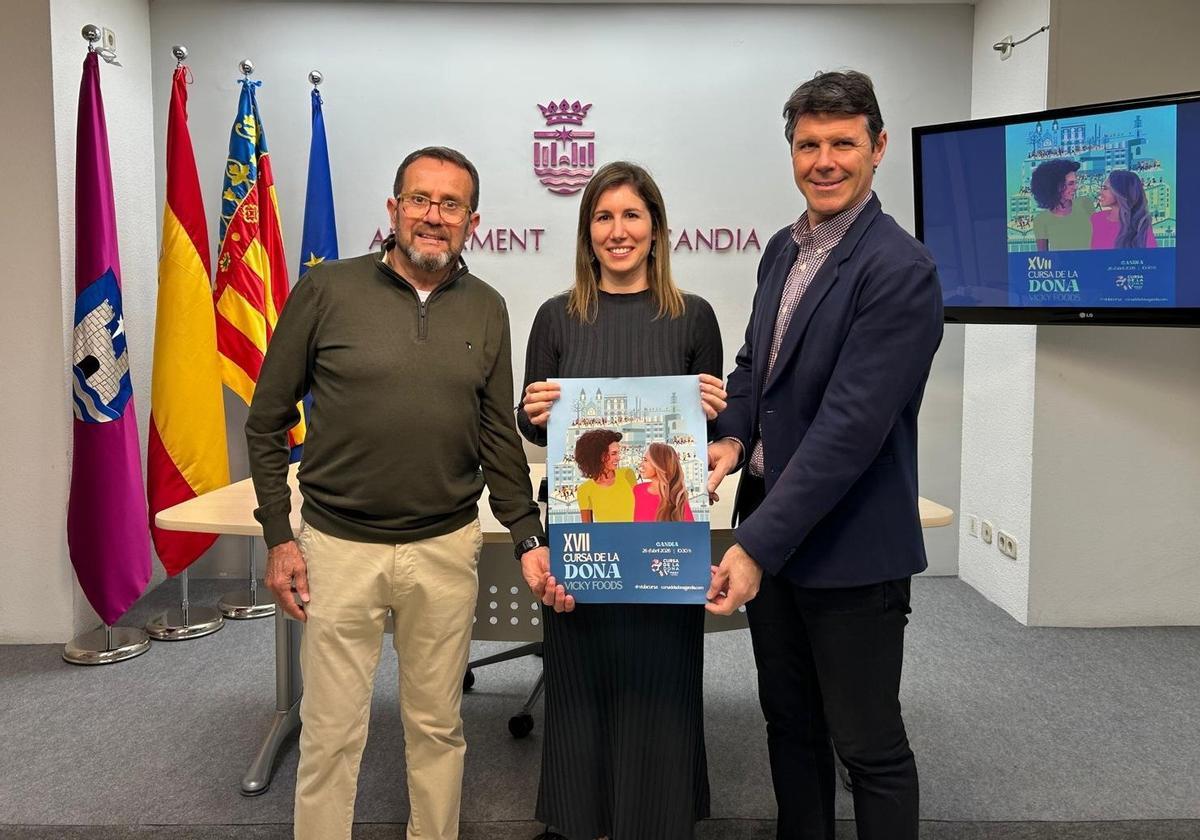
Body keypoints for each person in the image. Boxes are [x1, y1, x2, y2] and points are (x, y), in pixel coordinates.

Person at [246, 146, 548, 840]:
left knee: (438, 726)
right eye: (420, 199)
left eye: (451, 204)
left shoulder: (488, 308)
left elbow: (497, 436)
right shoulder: (327, 290)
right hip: (337, 548)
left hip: (444, 548)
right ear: (393, 208)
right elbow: (266, 421)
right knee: (331, 731)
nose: (433, 216)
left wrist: (526, 533)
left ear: (472, 221)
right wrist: (279, 537)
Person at [705, 71, 944, 840]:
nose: (825, 161)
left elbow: (849, 431)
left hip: (849, 548)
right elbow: (755, 367)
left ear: (878, 148)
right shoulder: (785, 248)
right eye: (809, 145)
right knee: (790, 726)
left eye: (843, 143)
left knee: (867, 747)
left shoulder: (899, 268)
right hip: (773, 529)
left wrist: (752, 546)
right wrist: (733, 435)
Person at [518, 160, 725, 840]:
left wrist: (716, 410)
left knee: (662, 683)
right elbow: (532, 425)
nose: (618, 230)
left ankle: (659, 821)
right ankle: (577, 823)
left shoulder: (693, 317)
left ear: (656, 229)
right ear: (587, 233)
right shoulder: (556, 317)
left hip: (664, 540)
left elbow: (706, 438)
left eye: (632, 215)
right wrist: (534, 411)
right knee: (579, 685)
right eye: (603, 217)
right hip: (583, 540)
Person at [573, 429, 637, 522]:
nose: (618, 458)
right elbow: (587, 528)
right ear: (600, 456)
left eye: (618, 453)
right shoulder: (584, 490)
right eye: (613, 453)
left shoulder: (627, 474)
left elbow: (642, 509)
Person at [1031, 158, 1091, 250]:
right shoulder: (1041, 220)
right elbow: (1043, 256)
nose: (1076, 187)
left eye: (1075, 182)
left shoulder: (1085, 204)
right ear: (1056, 186)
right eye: (1070, 184)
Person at [1091, 169, 1157, 249]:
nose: (1100, 192)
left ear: (1120, 192)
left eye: (1105, 188)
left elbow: (1150, 255)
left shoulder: (1141, 224)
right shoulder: (1096, 219)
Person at [633, 442, 694, 522]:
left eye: (646, 460)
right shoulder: (638, 490)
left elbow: (690, 528)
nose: (641, 464)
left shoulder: (677, 497)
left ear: (659, 464)